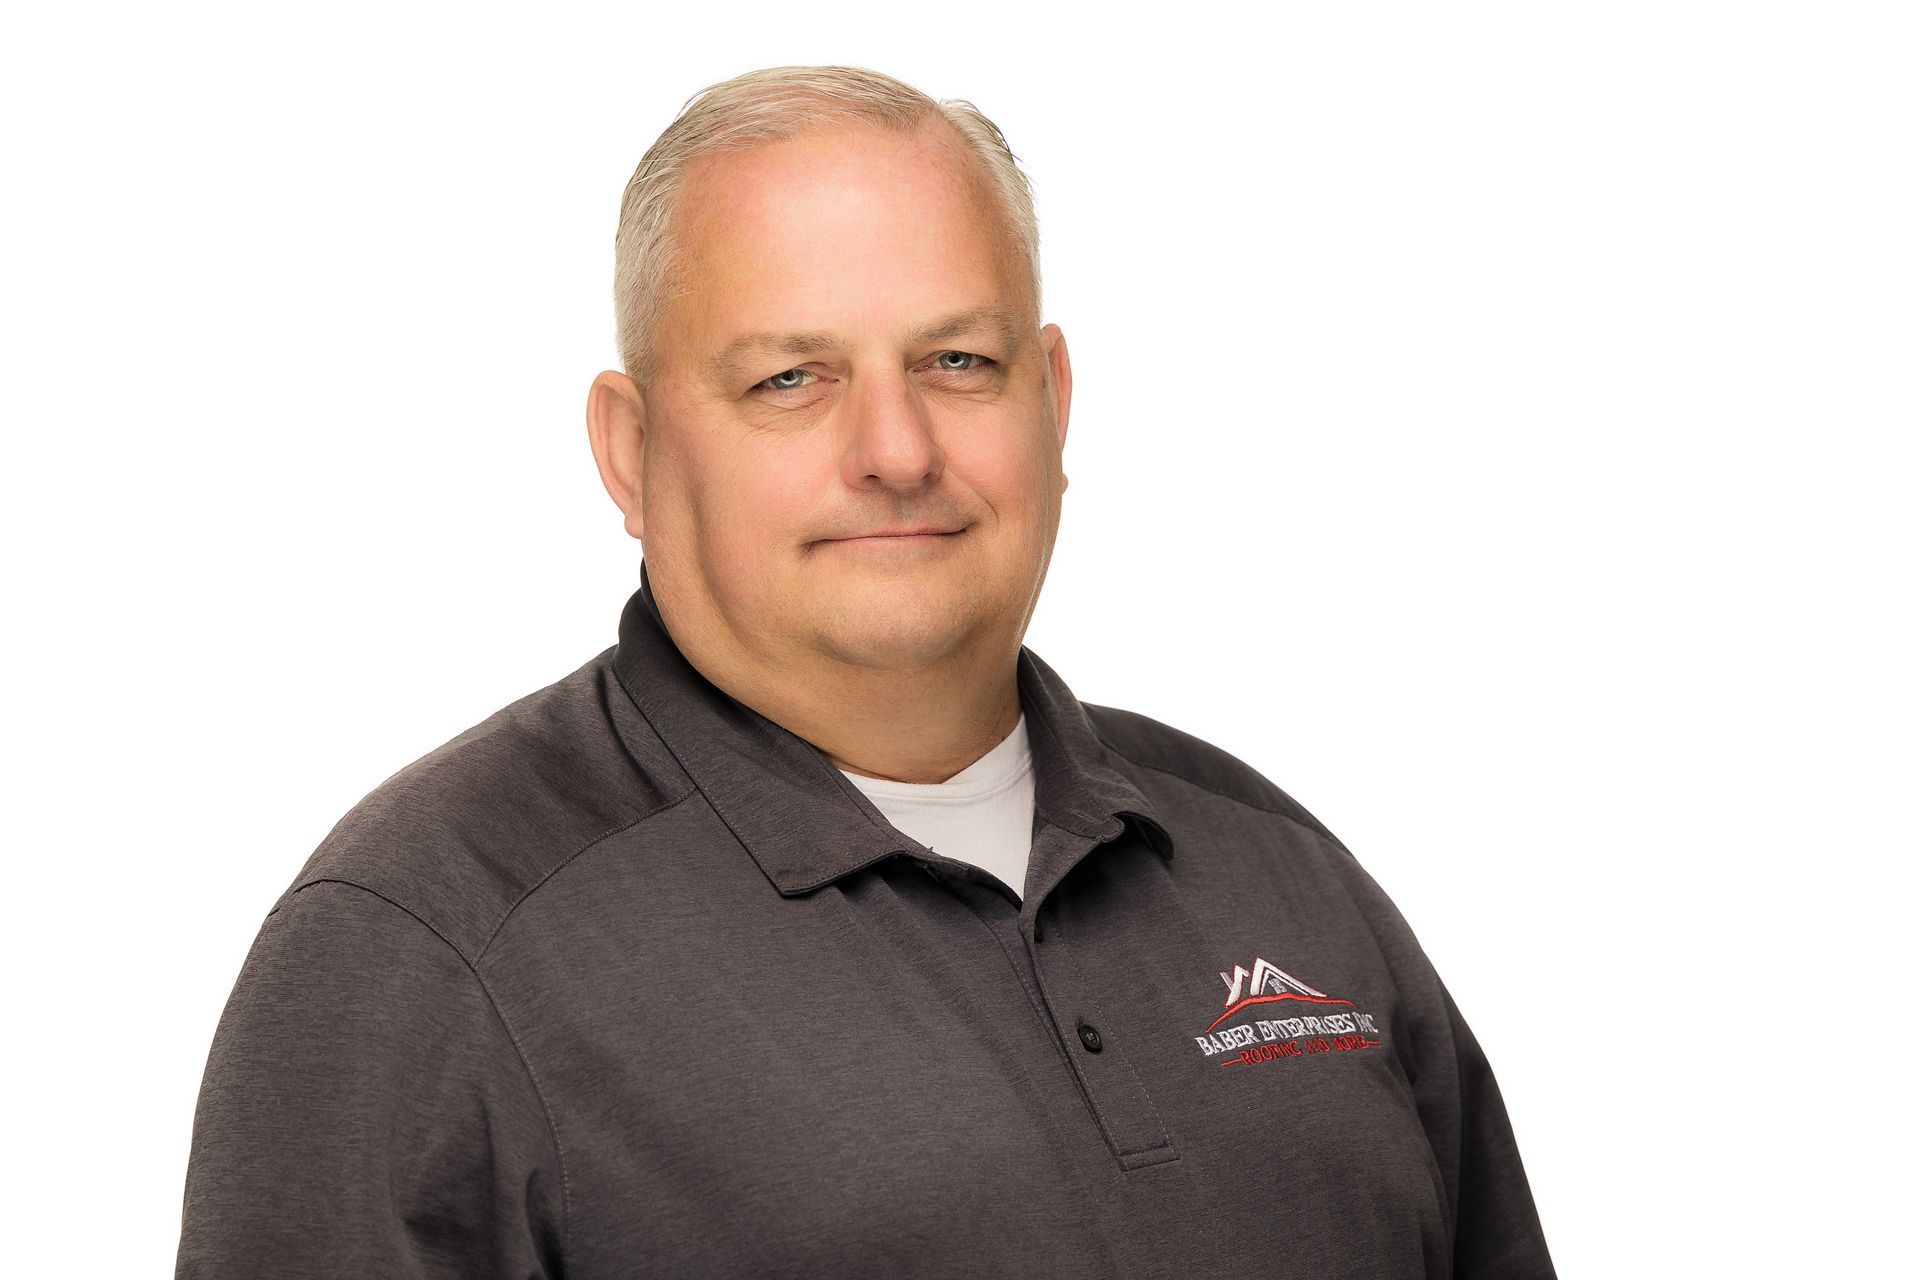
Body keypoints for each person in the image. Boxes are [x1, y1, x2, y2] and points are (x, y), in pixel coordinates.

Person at [174, 64, 1557, 1279]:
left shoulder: (1276, 869)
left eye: (958, 360)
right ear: (631, 451)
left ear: (1052, 402)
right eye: (793, 379)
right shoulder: (424, 948)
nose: (896, 450)